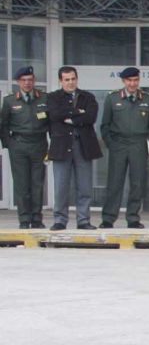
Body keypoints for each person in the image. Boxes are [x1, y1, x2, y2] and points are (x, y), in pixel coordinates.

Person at [100, 67, 149, 229]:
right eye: (129, 80)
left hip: (139, 143)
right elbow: (105, 125)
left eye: (135, 80)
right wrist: (111, 144)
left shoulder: (148, 99)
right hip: (118, 143)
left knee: (137, 183)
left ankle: (133, 218)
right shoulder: (113, 98)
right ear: (123, 81)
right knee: (114, 182)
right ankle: (108, 218)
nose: (132, 84)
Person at [46, 67, 102, 231]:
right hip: (62, 146)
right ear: (60, 81)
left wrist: (70, 119)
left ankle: (83, 220)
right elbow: (55, 115)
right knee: (61, 186)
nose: (70, 82)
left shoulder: (87, 97)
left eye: (73, 79)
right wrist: (78, 112)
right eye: (67, 79)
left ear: (77, 79)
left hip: (83, 145)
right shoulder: (53, 97)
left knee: (84, 186)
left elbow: (91, 117)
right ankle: (60, 220)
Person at [0, 67, 49, 229]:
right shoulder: (10, 101)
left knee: (37, 183)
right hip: (19, 145)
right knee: (21, 184)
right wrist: (10, 144)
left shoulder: (44, 98)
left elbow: (51, 122)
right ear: (18, 82)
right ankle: (24, 219)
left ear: (34, 81)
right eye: (23, 80)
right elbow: (3, 125)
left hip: (39, 144)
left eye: (30, 80)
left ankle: (36, 219)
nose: (27, 83)